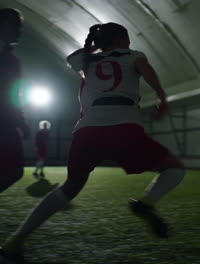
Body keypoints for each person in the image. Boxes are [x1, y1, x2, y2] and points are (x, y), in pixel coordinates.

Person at [1, 22, 185, 259]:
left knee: (70, 188)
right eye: (126, 40)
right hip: (123, 127)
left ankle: (16, 239)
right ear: (121, 41)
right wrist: (161, 96)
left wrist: (95, 47)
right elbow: (145, 69)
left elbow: (75, 58)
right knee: (174, 169)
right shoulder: (133, 55)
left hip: (87, 131)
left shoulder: (84, 60)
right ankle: (147, 202)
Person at [0, 8, 30, 194]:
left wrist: (20, 121)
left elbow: (12, 94)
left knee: (13, 170)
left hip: (6, 120)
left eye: (20, 26)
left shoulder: (11, 59)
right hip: (4, 122)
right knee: (14, 170)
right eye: (15, 25)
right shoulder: (9, 60)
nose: (19, 30)